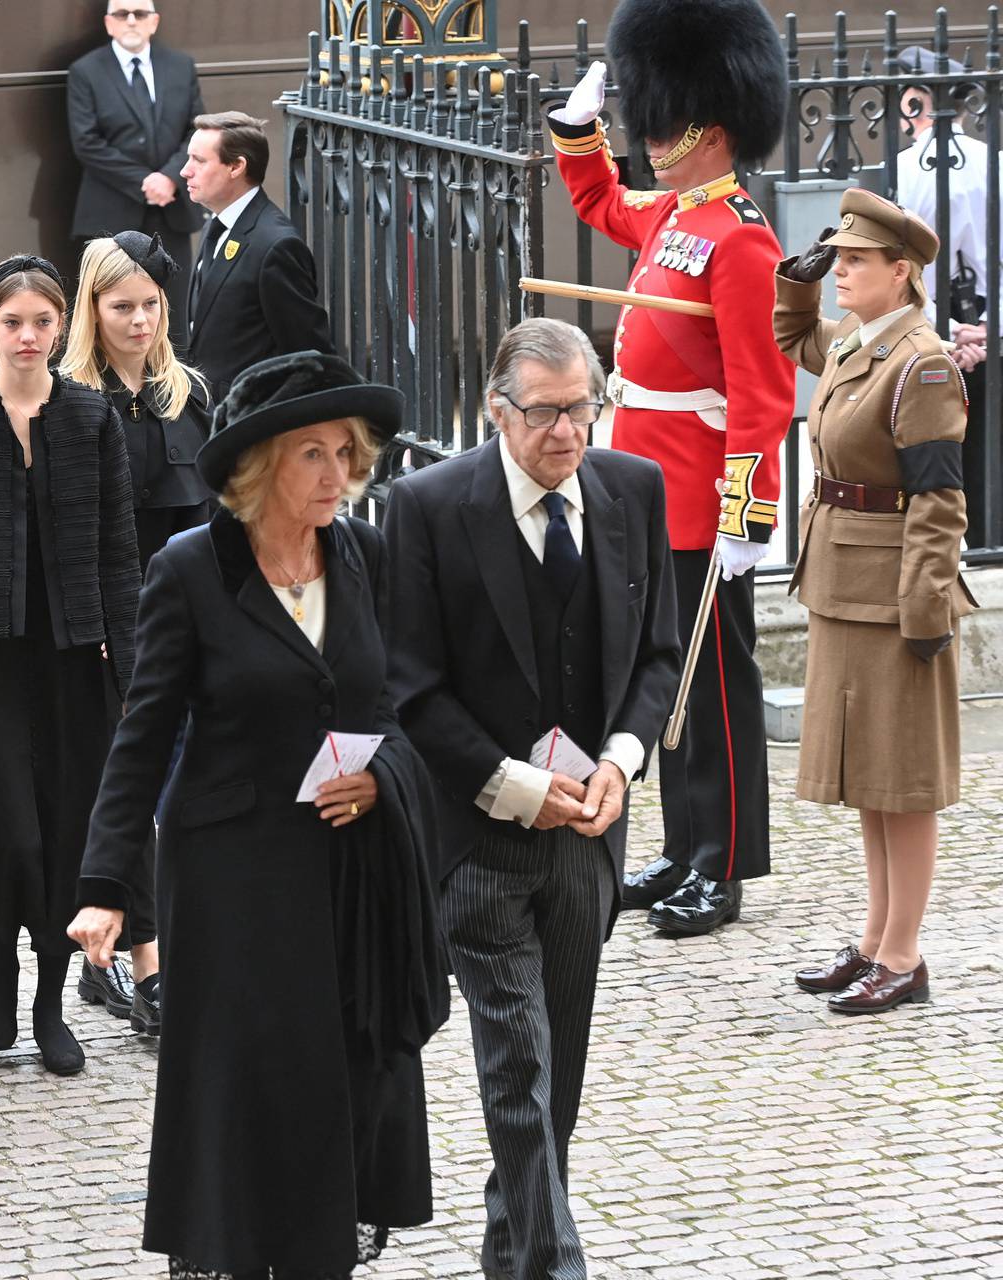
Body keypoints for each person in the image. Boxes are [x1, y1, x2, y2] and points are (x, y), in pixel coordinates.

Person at [70, 352, 448, 1277]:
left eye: (345, 453)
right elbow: (144, 735)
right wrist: (107, 883)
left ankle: (323, 1253)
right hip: (233, 878)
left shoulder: (361, 554)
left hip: (346, 867)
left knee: (345, 1072)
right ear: (259, 468)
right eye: (310, 454)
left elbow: (393, 707)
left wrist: (383, 776)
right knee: (250, 1086)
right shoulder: (191, 569)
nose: (335, 475)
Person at [386, 320, 682, 1279]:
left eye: (583, 410)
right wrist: (513, 784)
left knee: (557, 1076)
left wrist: (622, 761)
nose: (568, 433)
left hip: (588, 837)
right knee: (517, 1061)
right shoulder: (426, 507)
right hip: (478, 840)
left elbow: (657, 657)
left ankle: (509, 1246)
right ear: (496, 410)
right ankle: (555, 1265)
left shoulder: (633, 490)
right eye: (547, 413)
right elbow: (410, 688)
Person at [547, 0, 795, 935]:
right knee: (663, 682)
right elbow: (601, 200)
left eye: (671, 125)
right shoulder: (676, 216)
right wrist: (579, 133)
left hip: (698, 495)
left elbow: (762, 396)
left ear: (717, 129)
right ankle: (686, 842)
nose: (653, 141)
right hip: (643, 485)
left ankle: (722, 862)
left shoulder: (740, 239)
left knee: (715, 692)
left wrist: (747, 514)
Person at [0, 255, 142, 1077]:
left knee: (64, 833)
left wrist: (130, 671)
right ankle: (1, 959)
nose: (29, 338)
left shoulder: (90, 419)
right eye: (13, 323)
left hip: (75, 661)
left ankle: (48, 995)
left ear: (61, 328)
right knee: (9, 831)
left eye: (43, 322)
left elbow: (121, 554)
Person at [776, 192, 973, 1014]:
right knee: (870, 777)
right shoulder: (862, 347)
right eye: (839, 257)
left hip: (896, 597)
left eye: (855, 260)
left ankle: (904, 954)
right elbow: (792, 336)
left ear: (903, 274)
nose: (843, 269)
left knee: (906, 781)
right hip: (842, 586)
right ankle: (873, 939)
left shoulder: (920, 364)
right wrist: (802, 278)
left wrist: (926, 607)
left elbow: (939, 500)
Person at [57, 229, 212, 1035]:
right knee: (123, 792)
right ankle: (132, 959)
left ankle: (148, 950)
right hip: (111, 628)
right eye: (123, 307)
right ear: (93, 308)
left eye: (152, 304)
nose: (141, 320)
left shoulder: (191, 394)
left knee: (181, 790)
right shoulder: (69, 402)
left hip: (185, 625)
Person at [894, 47, 993, 540]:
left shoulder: (901, 169)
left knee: (934, 459)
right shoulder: (992, 162)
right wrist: (988, 332)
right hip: (986, 329)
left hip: (926, 335)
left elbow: (899, 273)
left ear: (916, 100)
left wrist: (946, 331)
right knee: (988, 459)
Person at [66, 1, 208, 338]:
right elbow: (86, 142)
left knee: (174, 312)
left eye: (140, 14)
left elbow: (196, 130)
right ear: (109, 23)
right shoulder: (85, 71)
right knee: (114, 310)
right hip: (112, 210)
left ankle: (175, 385)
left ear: (154, 22)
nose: (131, 20)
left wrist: (170, 177)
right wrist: (145, 181)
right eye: (121, 14)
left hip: (171, 208)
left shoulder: (181, 66)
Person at [180, 110, 333, 399]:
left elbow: (308, 354)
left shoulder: (276, 246)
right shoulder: (218, 223)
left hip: (251, 422)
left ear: (236, 166)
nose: (185, 170)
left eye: (198, 160)